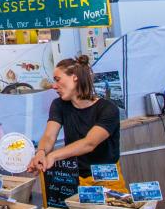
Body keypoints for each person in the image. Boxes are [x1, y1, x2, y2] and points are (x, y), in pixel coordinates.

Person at [27, 56, 126, 191]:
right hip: (76, 178)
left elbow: (89, 143)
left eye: (57, 79)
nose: (54, 86)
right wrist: (41, 152)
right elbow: (49, 136)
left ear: (75, 77)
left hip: (106, 179)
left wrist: (53, 156)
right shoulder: (59, 105)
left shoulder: (108, 109)